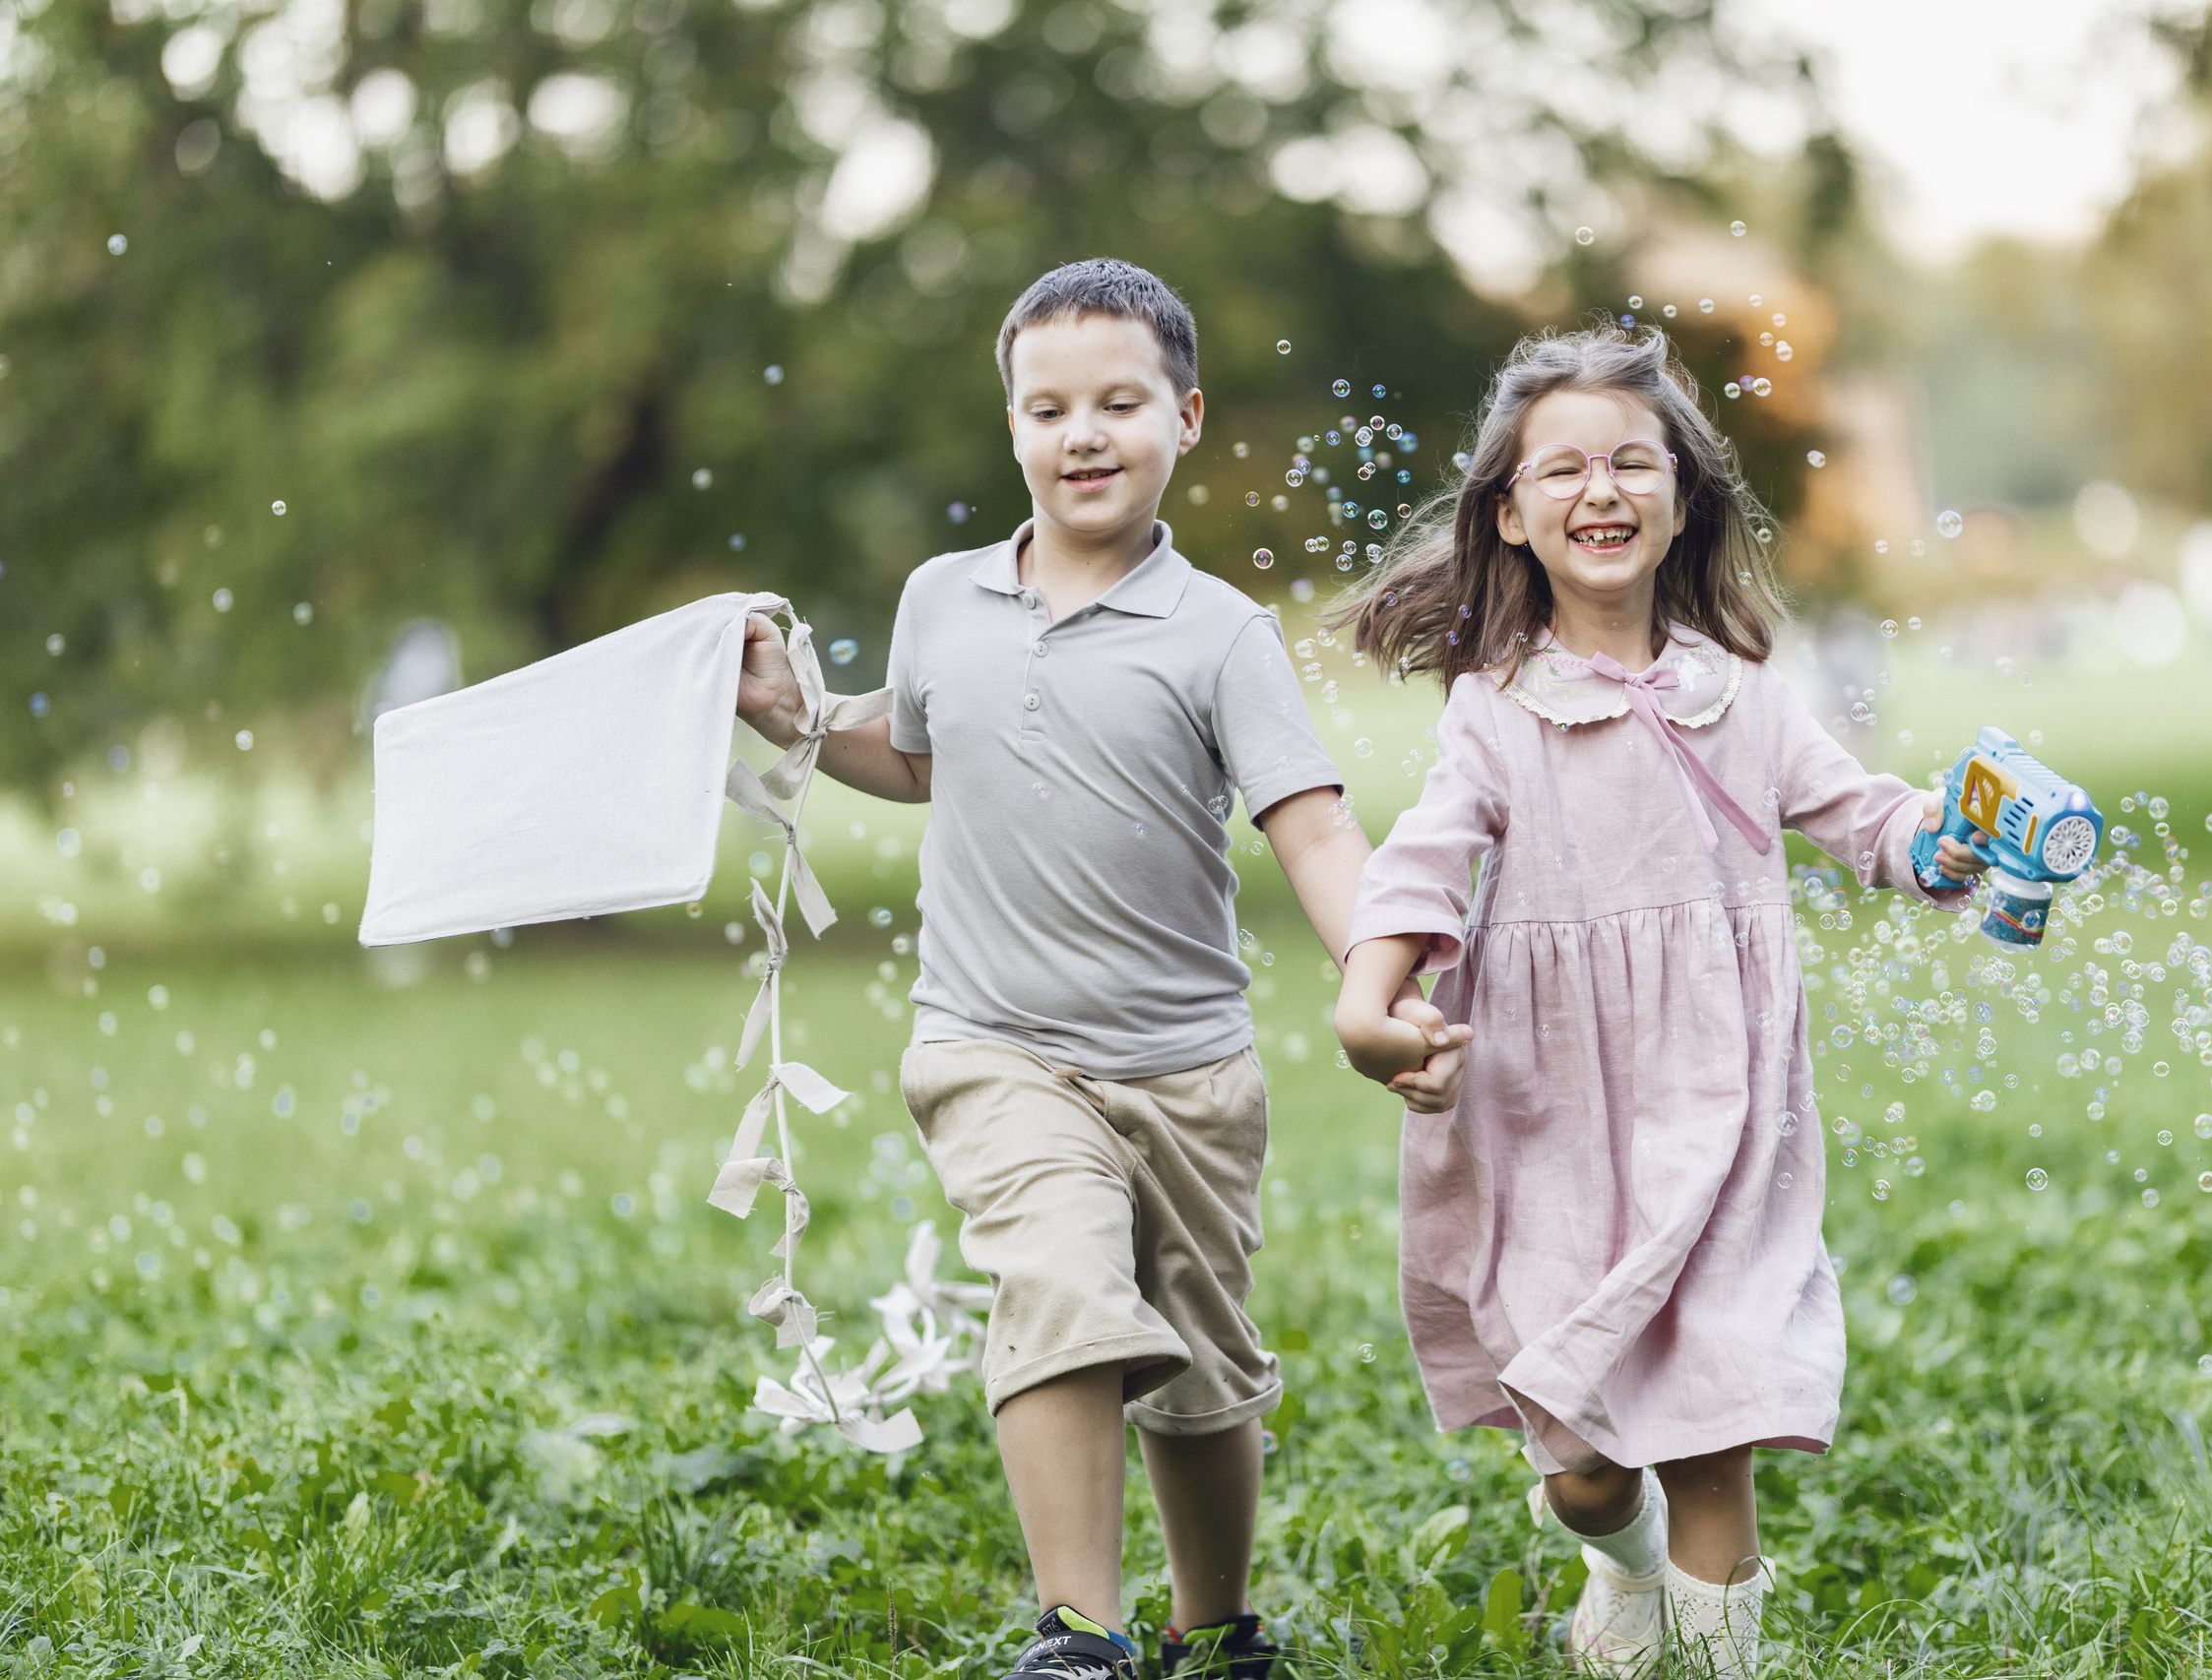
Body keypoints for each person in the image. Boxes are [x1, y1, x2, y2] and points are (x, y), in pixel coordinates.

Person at [734, 259, 1456, 1680]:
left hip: (1186, 1066)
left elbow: (1311, 830)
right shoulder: (942, 599)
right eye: (1049, 407)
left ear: (1184, 416)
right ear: (1010, 427)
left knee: (1199, 1362)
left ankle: (1217, 1625)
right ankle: (1082, 1634)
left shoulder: (1219, 633)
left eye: (1120, 402)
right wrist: (802, 719)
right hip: (993, 1046)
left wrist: (1381, 981)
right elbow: (924, 753)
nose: (1084, 433)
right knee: (1059, 1284)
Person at [1324, 326, 1989, 1677]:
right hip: (1554, 1116)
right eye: (1562, 469)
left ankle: (1721, 1660)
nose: (1602, 489)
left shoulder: (1742, 698)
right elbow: (1420, 867)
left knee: (1712, 1425)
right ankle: (1613, 1562)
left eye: (1634, 460)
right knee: (1580, 1464)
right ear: (1509, 514)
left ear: (1683, 492)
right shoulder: (1498, 712)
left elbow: (1867, 821)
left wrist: (1946, 843)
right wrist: (1371, 1007)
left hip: (1721, 1114)